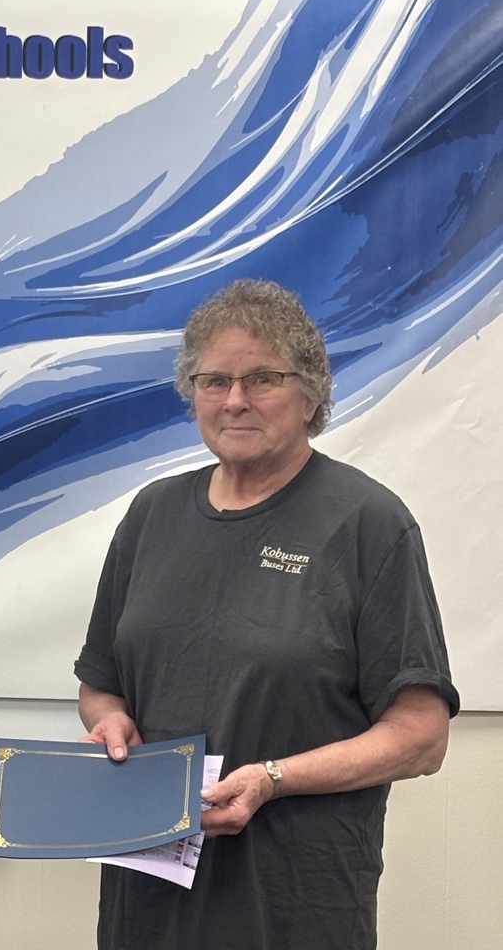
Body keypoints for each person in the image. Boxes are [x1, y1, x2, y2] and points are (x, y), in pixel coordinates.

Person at [74, 278, 458, 950]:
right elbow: (101, 684)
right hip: (147, 902)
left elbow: (422, 737)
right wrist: (109, 722)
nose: (235, 400)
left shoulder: (369, 524)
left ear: (311, 395)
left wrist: (273, 780)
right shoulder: (151, 515)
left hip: (291, 907)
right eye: (214, 381)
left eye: (262, 379)